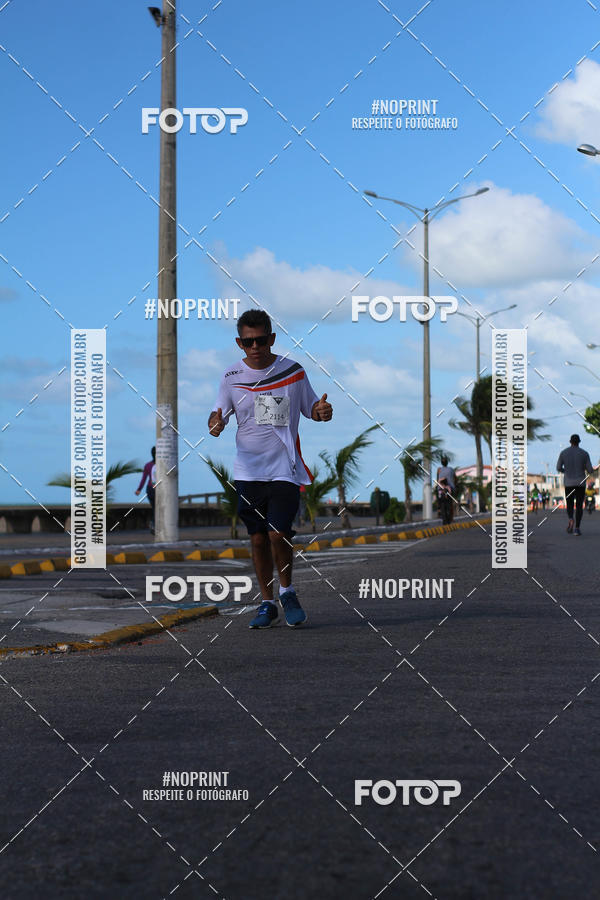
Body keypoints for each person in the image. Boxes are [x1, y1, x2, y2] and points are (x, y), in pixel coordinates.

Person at [208, 309, 333, 629]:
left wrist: (322, 411)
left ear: (272, 339)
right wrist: (216, 423)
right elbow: (217, 413)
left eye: (261, 340)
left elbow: (313, 410)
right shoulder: (230, 377)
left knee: (278, 533)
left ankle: (288, 591)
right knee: (258, 539)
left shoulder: (292, 371)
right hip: (248, 471)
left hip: (285, 468)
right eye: (248, 342)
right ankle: (267, 603)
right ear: (239, 342)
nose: (255, 347)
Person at [556, 434, 595, 536]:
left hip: (568, 483)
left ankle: (570, 519)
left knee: (569, 504)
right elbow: (590, 470)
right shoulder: (584, 453)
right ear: (579, 442)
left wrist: (566, 471)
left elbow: (558, 467)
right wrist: (592, 470)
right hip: (580, 484)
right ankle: (577, 528)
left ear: (570, 442)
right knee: (578, 506)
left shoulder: (563, 453)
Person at [136, 446, 156, 534]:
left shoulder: (148, 465)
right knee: (157, 508)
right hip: (154, 489)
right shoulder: (160, 465)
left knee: (155, 508)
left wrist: (139, 489)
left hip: (150, 489)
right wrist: (139, 489)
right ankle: (153, 524)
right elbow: (144, 478)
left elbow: (144, 479)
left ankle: (153, 524)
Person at [436, 455, 455, 522]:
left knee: (440, 501)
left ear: (441, 463)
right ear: (447, 462)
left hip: (440, 489)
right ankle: (451, 518)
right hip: (450, 488)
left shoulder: (439, 470)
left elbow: (437, 479)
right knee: (451, 502)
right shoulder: (451, 469)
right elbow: (455, 478)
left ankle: (439, 509)